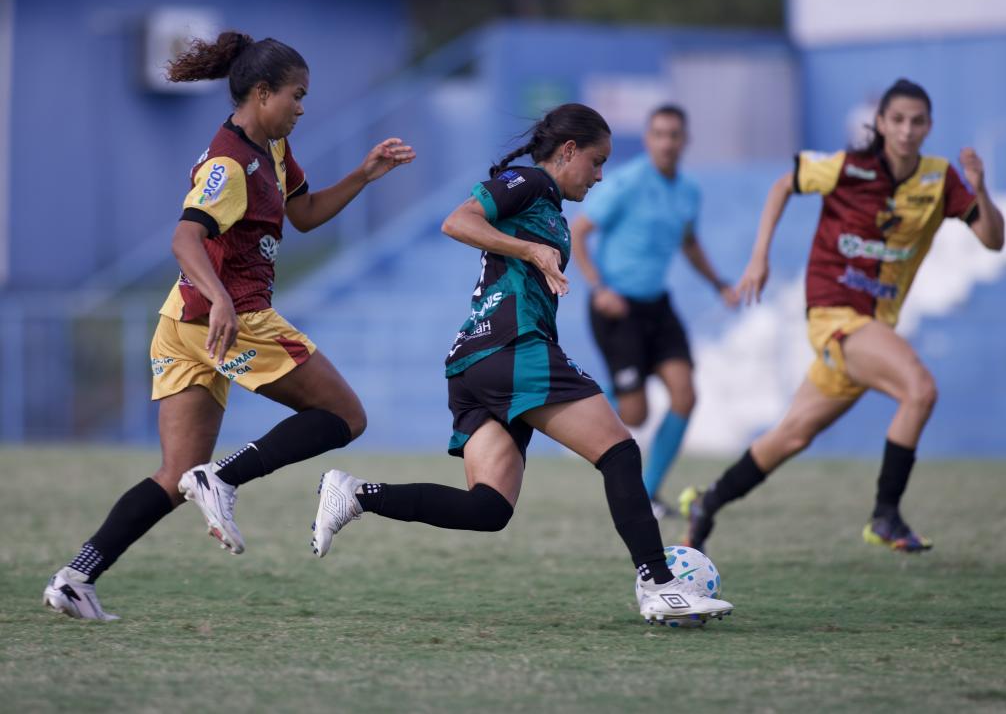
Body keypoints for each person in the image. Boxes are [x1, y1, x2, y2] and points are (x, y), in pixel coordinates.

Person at [308, 103, 732, 624]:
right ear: (569, 151)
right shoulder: (530, 182)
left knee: (488, 508)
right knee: (619, 452)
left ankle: (356, 495)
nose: (600, 176)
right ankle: (659, 584)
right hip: (512, 347)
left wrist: (530, 250)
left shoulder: (548, 205)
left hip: (474, 363)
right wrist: (531, 251)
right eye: (597, 161)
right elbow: (457, 220)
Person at [42, 32, 415, 620]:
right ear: (262, 93)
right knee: (346, 416)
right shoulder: (230, 163)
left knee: (174, 475)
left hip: (184, 321)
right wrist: (219, 298)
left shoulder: (272, 148)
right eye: (296, 95)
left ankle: (76, 577)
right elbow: (184, 237)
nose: (302, 107)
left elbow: (305, 213)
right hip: (231, 318)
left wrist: (363, 175)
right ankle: (222, 478)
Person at [681, 79, 1005, 554]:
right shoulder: (848, 167)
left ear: (929, 127)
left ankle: (706, 503)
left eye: (917, 122)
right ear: (881, 123)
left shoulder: (941, 180)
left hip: (872, 330)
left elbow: (993, 240)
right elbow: (783, 184)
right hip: (833, 315)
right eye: (898, 120)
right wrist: (759, 257)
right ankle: (885, 515)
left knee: (792, 436)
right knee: (920, 389)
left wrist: (981, 190)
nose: (907, 130)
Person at [570, 105, 738, 518]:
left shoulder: (688, 191)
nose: (667, 142)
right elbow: (579, 231)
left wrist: (719, 284)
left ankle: (647, 493)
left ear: (685, 140)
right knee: (636, 413)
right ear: (648, 139)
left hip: (657, 306)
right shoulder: (626, 182)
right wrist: (599, 288)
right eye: (659, 134)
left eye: (674, 134)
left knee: (685, 394)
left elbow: (689, 243)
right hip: (616, 307)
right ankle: (580, 407)